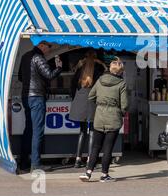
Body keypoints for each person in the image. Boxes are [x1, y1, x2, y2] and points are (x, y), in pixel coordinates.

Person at [79, 58, 128, 182]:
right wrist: (120, 112)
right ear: (121, 71)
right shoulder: (121, 84)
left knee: (96, 146)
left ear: (110, 69)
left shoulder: (100, 80)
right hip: (114, 117)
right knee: (108, 148)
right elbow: (125, 104)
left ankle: (88, 172)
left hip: (99, 116)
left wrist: (100, 105)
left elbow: (91, 96)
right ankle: (104, 175)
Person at [18, 41, 62, 172]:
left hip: (26, 96)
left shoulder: (26, 56)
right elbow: (49, 75)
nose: (50, 49)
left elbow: (21, 76)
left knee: (28, 130)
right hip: (37, 96)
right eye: (49, 46)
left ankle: (24, 162)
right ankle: (36, 164)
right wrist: (59, 67)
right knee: (37, 131)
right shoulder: (39, 58)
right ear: (42, 45)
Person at [69, 49, 106, 168]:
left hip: (80, 102)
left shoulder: (79, 69)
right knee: (93, 133)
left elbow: (72, 87)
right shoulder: (99, 69)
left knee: (82, 132)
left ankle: (78, 159)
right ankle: (90, 160)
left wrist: (75, 99)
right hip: (92, 102)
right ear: (96, 57)